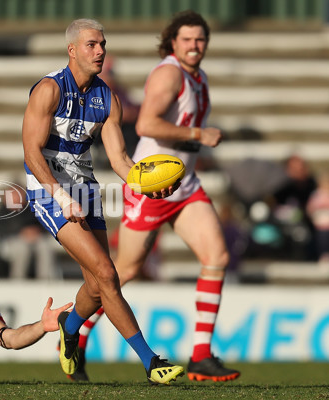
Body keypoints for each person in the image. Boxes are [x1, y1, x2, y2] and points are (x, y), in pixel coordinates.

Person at [71, 11, 240, 382]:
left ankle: (200, 356)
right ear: (172, 43)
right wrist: (199, 136)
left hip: (186, 184)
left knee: (217, 256)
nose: (195, 45)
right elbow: (146, 123)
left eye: (200, 39)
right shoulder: (169, 74)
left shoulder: (198, 76)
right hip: (153, 186)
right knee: (122, 273)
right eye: (187, 39)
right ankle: (75, 334)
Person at [21, 18, 183, 385]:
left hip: (85, 188)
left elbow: (121, 161)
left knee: (96, 285)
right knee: (108, 273)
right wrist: (60, 197)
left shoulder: (107, 98)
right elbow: (31, 152)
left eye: (103, 44)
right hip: (48, 189)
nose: (100, 51)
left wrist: (145, 185)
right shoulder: (49, 89)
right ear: (72, 50)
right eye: (92, 45)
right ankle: (151, 362)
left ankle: (70, 325)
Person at [0, 185, 57, 280]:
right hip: (11, 242)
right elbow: (2, 232)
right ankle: (18, 280)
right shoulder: (2, 212)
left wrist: (35, 232)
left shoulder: (31, 209)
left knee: (44, 246)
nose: (16, 198)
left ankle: (45, 280)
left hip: (35, 239)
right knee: (22, 249)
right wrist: (22, 233)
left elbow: (43, 226)